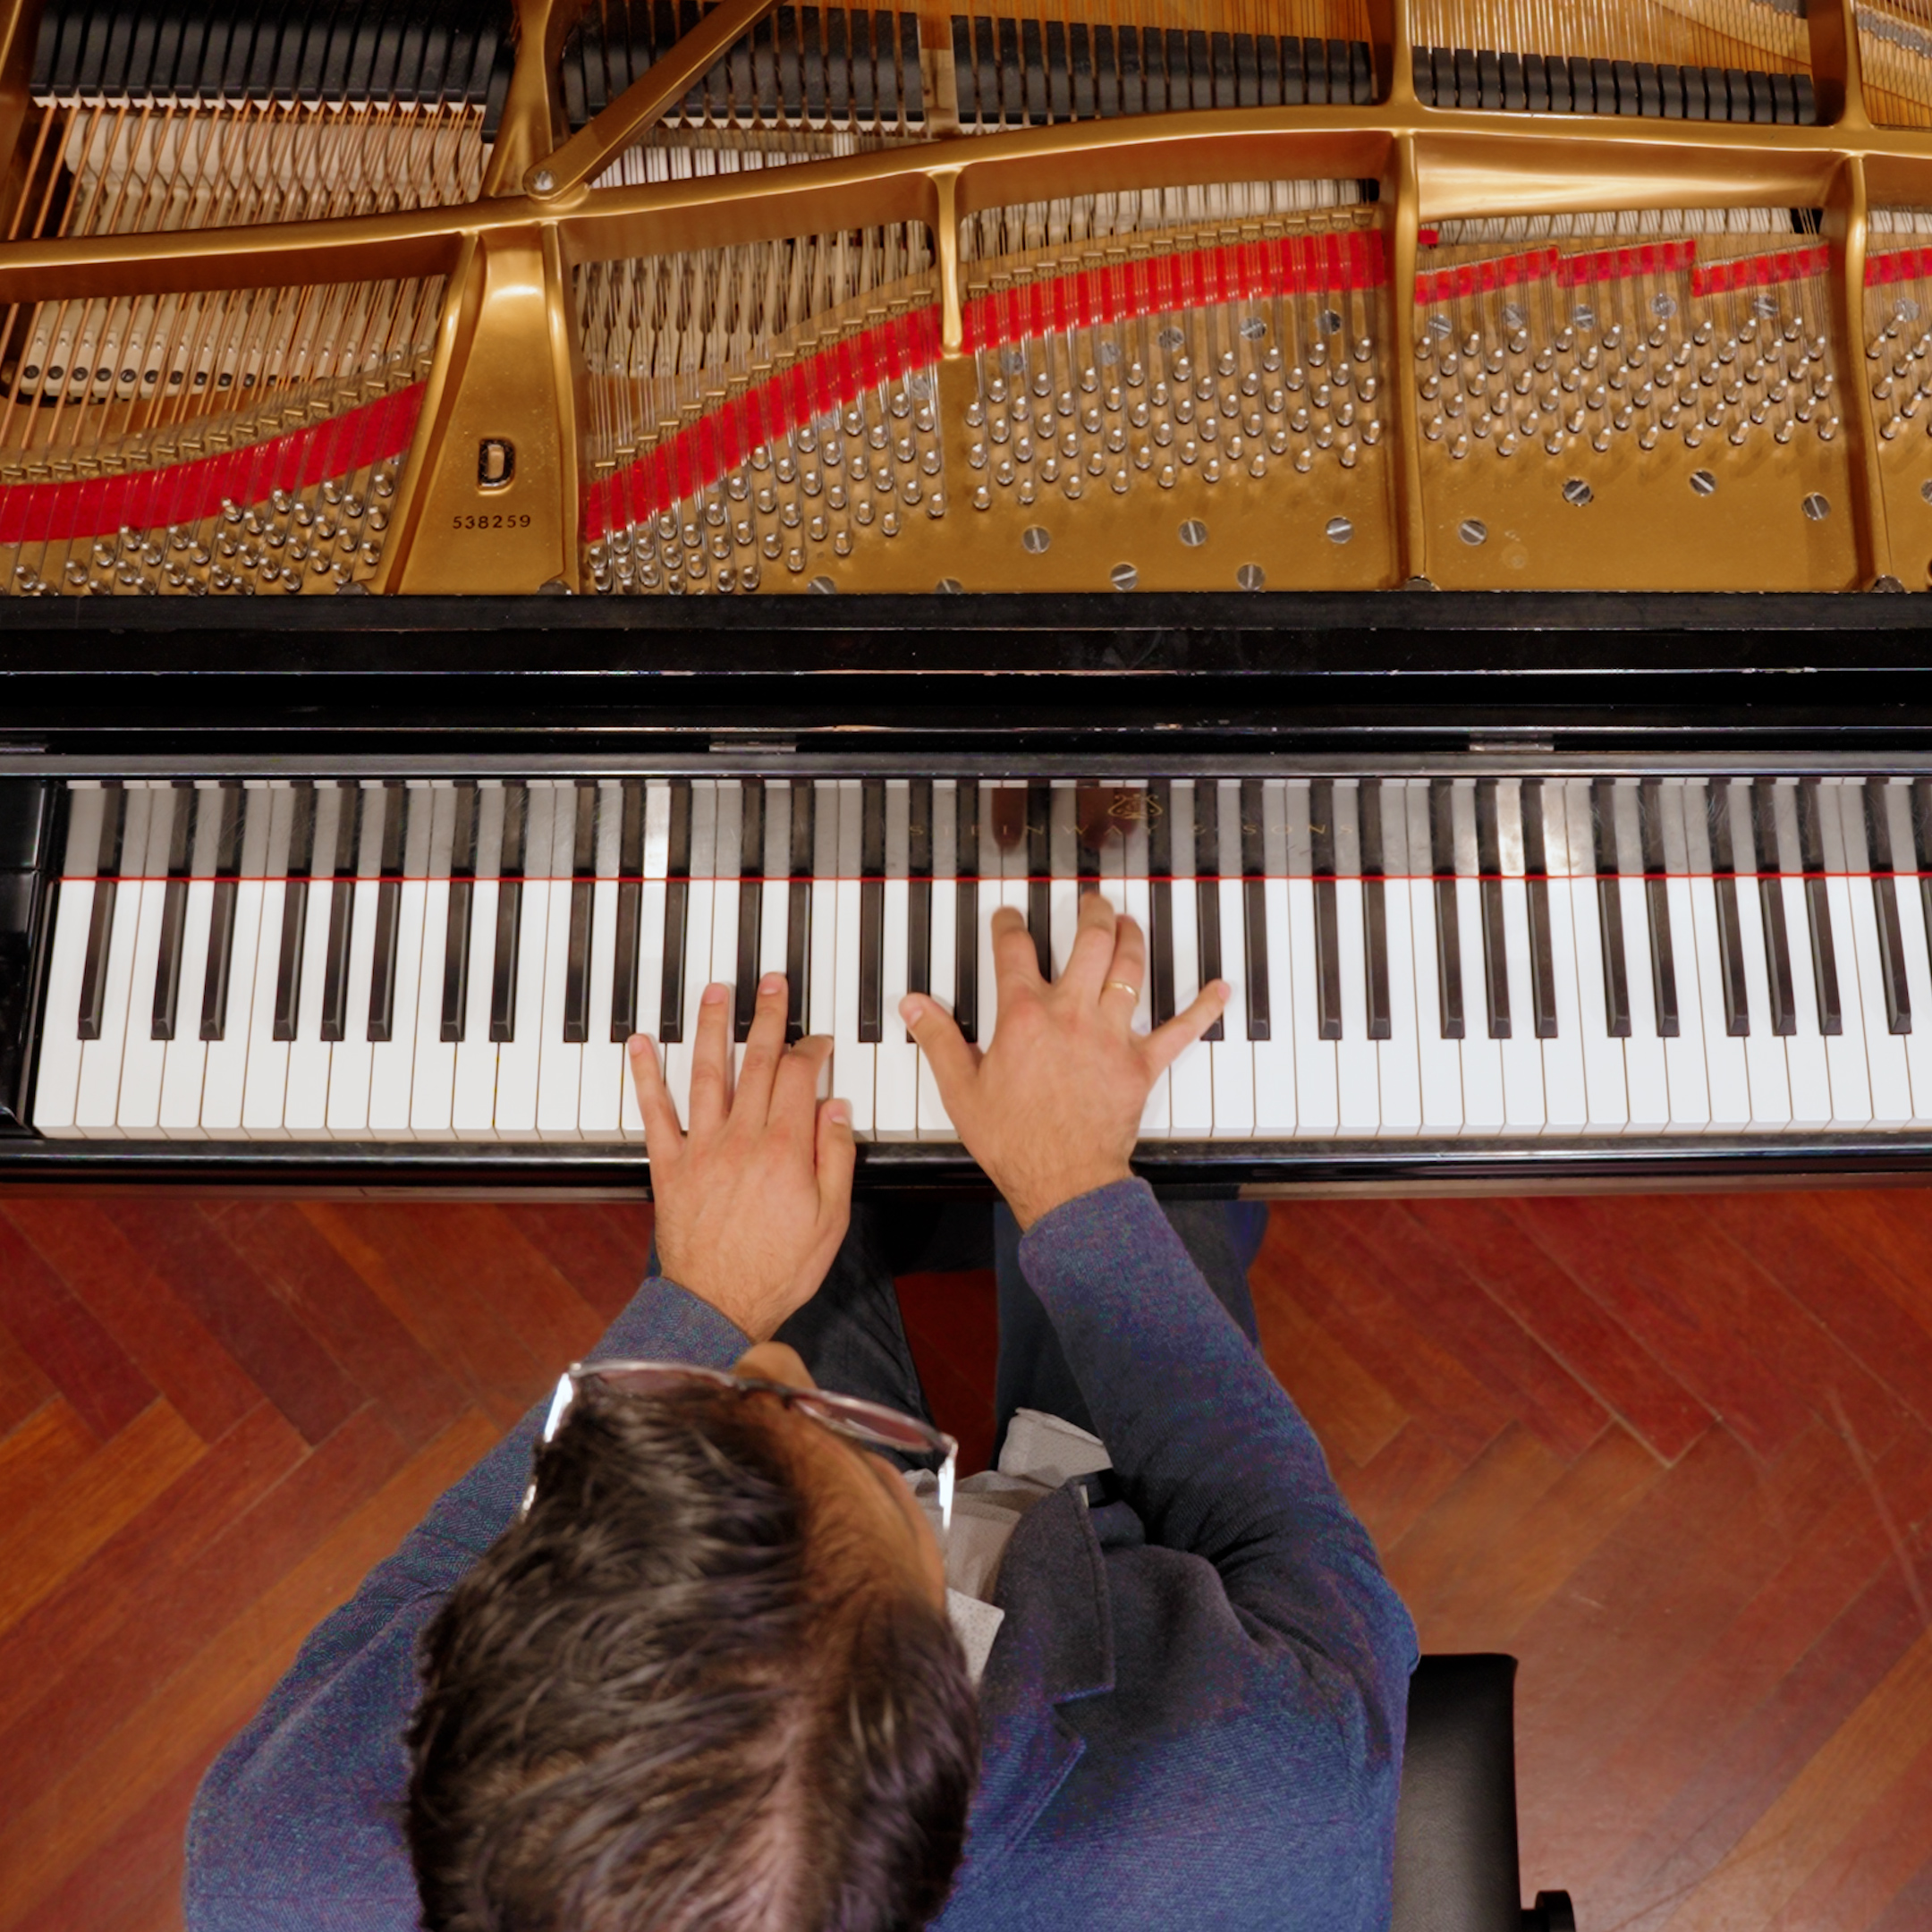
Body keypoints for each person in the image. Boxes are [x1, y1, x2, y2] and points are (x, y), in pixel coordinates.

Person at [185, 893, 1419, 1932]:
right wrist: (1080, 1189)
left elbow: (431, 1578)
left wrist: (698, 1303)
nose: (761, 1367)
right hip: (1112, 1576)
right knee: (1171, 1202)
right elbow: (1290, 1546)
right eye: (864, 1454)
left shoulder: (285, 1868)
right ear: (946, 1674)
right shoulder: (1258, 1808)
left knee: (790, 1238)